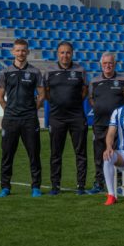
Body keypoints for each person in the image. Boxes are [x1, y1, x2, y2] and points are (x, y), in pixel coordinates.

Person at [0, 38, 44, 198]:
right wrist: (8, 110)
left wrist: (32, 110)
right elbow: (0, 96)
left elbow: (41, 94)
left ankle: (36, 186)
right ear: (13, 52)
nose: (20, 53)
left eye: (23, 50)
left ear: (28, 52)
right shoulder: (5, 72)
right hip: (10, 120)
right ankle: (5, 187)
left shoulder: (35, 72)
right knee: (7, 154)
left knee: (34, 154)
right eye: (18, 50)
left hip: (29, 120)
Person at [44, 41, 88, 195]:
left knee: (80, 153)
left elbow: (84, 91)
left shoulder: (80, 71)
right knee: (56, 153)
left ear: (72, 53)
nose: (65, 55)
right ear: (58, 54)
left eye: (68, 52)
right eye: (62, 52)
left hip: (76, 117)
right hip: (57, 118)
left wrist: (72, 103)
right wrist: (58, 103)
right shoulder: (49, 71)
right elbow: (47, 93)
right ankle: (55, 186)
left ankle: (81, 186)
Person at [88, 52, 124, 195]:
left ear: (115, 64)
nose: (107, 66)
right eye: (105, 63)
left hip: (117, 126)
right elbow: (91, 99)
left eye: (110, 63)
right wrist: (99, 108)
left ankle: (117, 183)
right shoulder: (94, 81)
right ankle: (99, 182)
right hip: (99, 124)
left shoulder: (123, 81)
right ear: (101, 65)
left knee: (115, 154)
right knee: (99, 155)